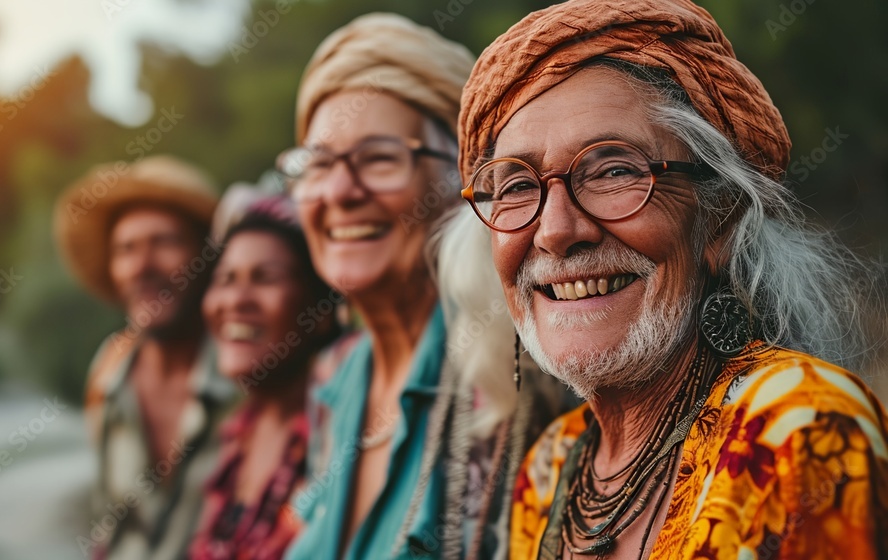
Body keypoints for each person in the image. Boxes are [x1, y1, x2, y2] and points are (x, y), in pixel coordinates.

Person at [456, 0, 888, 558]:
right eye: (516, 184)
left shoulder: (799, 429)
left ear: (718, 219)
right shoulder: (549, 469)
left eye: (614, 170)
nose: (556, 231)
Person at [276, 13, 573, 559]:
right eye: (317, 164)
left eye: (380, 158)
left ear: (463, 179)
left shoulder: (522, 375)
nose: (340, 191)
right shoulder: (332, 380)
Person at [54, 155, 236, 560]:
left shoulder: (251, 373)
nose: (142, 266)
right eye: (125, 249)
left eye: (165, 242)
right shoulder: (107, 373)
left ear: (209, 255)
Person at [186, 194, 342, 560]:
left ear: (321, 311)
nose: (236, 300)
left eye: (265, 278)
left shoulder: (338, 434)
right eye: (224, 279)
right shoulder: (236, 435)